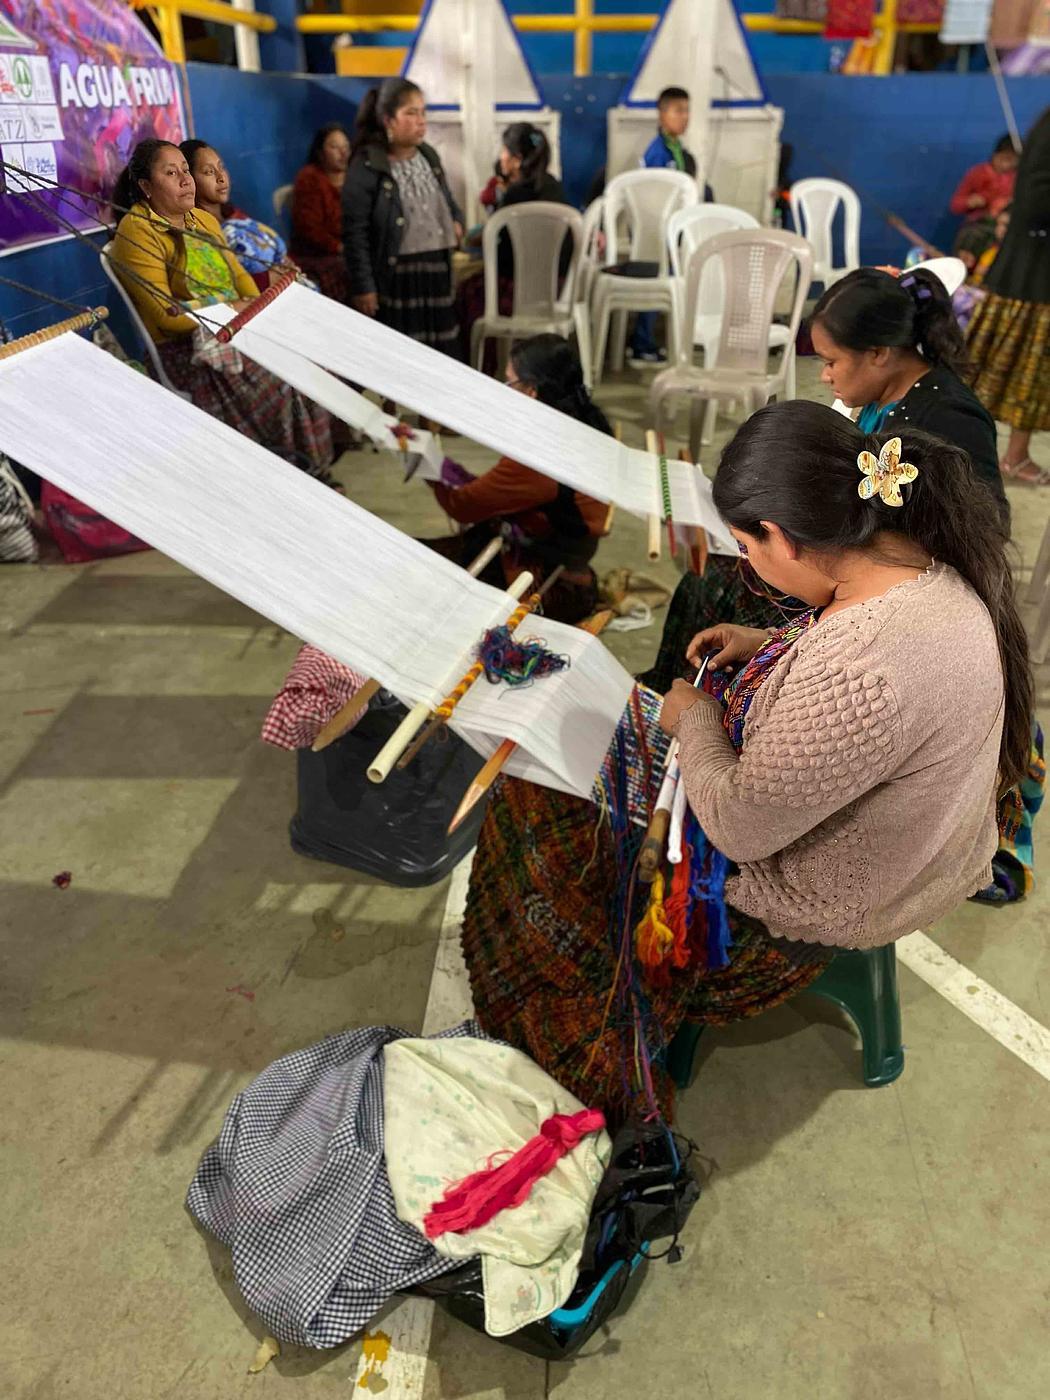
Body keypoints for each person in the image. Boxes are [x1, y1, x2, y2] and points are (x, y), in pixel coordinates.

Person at [461, 400, 1032, 1118]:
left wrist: (696, 719)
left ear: (780, 535)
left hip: (837, 895)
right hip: (926, 843)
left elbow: (738, 828)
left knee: (536, 812)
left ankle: (569, 1030)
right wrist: (767, 646)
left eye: (745, 545)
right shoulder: (920, 565)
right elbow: (863, 679)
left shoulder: (861, 670)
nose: (748, 565)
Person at [642, 263, 1007, 695]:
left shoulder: (949, 417)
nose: (824, 375)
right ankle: (674, 688)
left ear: (879, 353)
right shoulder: (884, 397)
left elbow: (986, 525)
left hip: (881, 582)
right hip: (851, 552)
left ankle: (698, 698)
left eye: (832, 361)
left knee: (720, 583)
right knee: (714, 571)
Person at [110, 139, 336, 482]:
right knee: (284, 381)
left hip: (236, 328)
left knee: (307, 360)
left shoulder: (202, 220)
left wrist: (250, 309)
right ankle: (286, 476)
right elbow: (166, 314)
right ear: (146, 186)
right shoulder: (137, 231)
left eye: (185, 171)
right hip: (187, 351)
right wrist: (231, 309)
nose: (185, 180)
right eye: (171, 173)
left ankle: (312, 472)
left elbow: (241, 279)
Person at [422, 335, 607, 623]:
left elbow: (464, 505)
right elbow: (494, 491)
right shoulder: (585, 423)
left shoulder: (542, 454)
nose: (505, 390)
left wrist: (425, 463)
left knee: (411, 570)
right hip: (563, 566)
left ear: (532, 391)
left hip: (545, 586)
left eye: (509, 382)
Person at [343, 79, 463, 355]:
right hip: (397, 276)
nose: (421, 121)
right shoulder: (368, 164)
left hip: (436, 270)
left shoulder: (428, 156)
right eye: (410, 113)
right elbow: (355, 232)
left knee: (441, 352)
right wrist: (364, 287)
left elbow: (447, 201)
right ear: (388, 120)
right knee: (405, 353)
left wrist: (456, 220)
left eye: (423, 112)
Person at [967, 106, 1050, 485]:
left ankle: (1011, 455)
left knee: (1028, 378)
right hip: (1030, 280)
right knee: (1011, 375)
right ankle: (981, 455)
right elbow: (1035, 202)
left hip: (1032, 275)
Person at [458, 123, 570, 358]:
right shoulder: (554, 188)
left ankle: (484, 367)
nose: (501, 156)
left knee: (466, 292)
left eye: (504, 151)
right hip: (557, 291)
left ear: (517, 160)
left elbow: (501, 256)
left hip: (518, 292)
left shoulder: (515, 196)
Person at [630, 85, 698, 366]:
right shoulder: (658, 153)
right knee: (655, 288)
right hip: (656, 232)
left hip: (673, 232)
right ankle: (641, 344)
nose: (685, 117)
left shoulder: (676, 148)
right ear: (662, 114)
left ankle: (647, 341)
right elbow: (652, 198)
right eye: (678, 111)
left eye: (687, 111)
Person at [180, 139, 293, 291]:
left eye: (221, 167)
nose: (221, 177)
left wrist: (286, 265)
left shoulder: (233, 214)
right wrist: (266, 279)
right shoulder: (195, 228)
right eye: (209, 172)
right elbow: (218, 284)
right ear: (190, 180)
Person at [290, 123, 351, 301]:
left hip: (351, 246)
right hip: (317, 253)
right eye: (334, 147)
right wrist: (339, 247)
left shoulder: (357, 177)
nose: (343, 153)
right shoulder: (309, 178)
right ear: (320, 152)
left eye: (346, 146)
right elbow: (309, 228)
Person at [950, 134, 1019, 269]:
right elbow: (955, 205)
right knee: (972, 237)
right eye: (1003, 158)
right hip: (978, 227)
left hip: (1006, 230)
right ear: (995, 155)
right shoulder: (978, 173)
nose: (1006, 164)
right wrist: (970, 202)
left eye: (1012, 160)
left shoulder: (1019, 179)